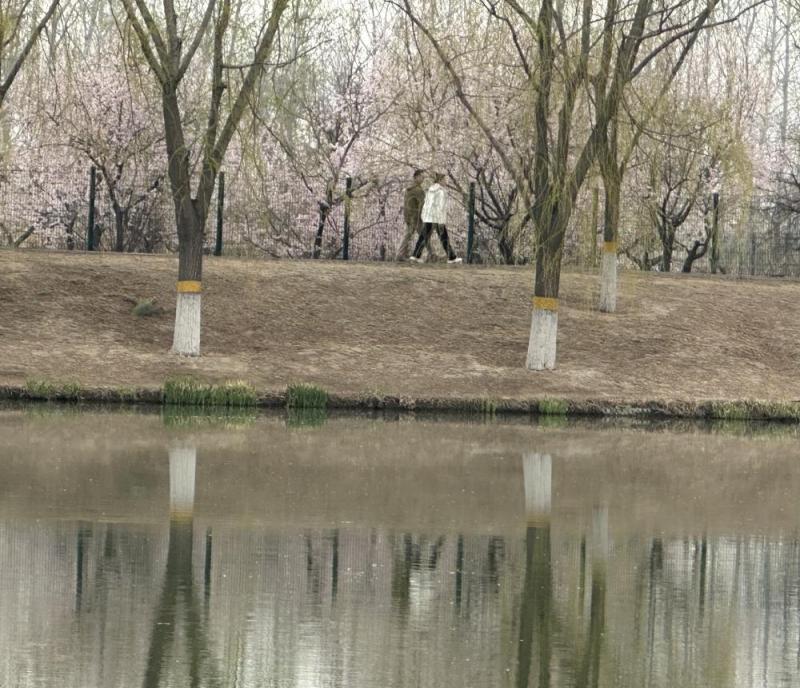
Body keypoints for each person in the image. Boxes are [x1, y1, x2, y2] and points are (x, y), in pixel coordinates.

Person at [409, 172, 462, 264]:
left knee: (423, 237)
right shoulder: (441, 191)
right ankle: (452, 258)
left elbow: (426, 204)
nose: (446, 181)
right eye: (444, 180)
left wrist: (425, 216)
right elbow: (440, 207)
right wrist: (441, 219)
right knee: (444, 238)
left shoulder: (430, 190)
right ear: (440, 180)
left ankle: (415, 256)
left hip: (429, 217)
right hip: (437, 218)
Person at [398, 169, 429, 261]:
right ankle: (433, 254)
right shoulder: (418, 190)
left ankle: (433, 254)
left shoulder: (409, 189)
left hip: (410, 216)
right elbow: (422, 205)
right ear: (416, 177)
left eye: (424, 177)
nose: (423, 179)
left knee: (419, 235)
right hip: (416, 218)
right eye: (422, 177)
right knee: (419, 235)